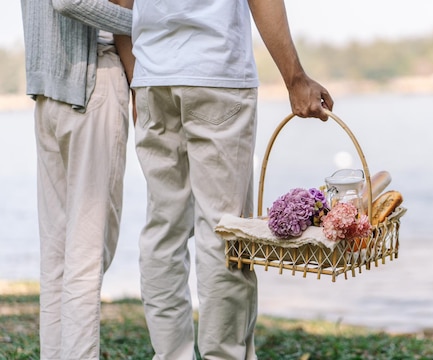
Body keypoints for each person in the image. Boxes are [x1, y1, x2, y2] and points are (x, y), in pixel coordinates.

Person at [128, 0, 334, 358]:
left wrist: (138, 77)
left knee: (163, 230)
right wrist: (294, 77)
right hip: (215, 72)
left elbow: (120, 3)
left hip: (152, 77)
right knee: (224, 233)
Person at [20, 0, 134, 358]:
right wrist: (147, 22)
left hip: (47, 89)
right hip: (90, 83)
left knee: (58, 258)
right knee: (86, 258)